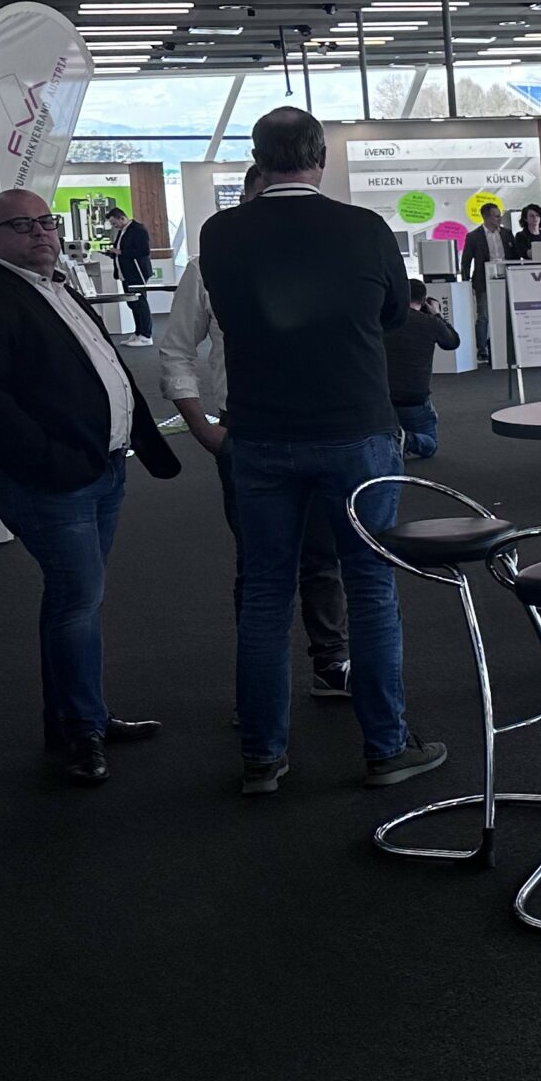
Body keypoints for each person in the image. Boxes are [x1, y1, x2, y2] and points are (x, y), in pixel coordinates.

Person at [199, 107, 445, 797]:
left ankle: (262, 757)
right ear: (321, 158)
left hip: (259, 432)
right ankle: (385, 748)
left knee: (265, 594)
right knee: (370, 588)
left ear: (258, 159)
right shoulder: (364, 229)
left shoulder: (221, 233)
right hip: (355, 430)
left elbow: (228, 313)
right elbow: (393, 314)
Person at [0, 188, 181, 782]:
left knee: (75, 599)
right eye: (21, 225)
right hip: (52, 483)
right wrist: (48, 458)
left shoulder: (60, 289)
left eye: (46, 222)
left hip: (104, 470)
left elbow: (104, 368)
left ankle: (76, 718)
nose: (40, 232)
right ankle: (82, 730)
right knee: (78, 599)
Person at [160, 161, 353, 703]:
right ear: (246, 200)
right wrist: (203, 429)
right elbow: (176, 351)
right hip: (245, 436)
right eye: (265, 196)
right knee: (260, 568)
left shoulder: (325, 258)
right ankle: (260, 694)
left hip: (324, 432)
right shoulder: (208, 266)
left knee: (323, 557)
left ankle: (330, 662)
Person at [386, 279, 461, 460]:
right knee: (430, 445)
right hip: (414, 397)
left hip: (383, 395)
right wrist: (437, 314)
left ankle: (389, 438)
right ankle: (405, 440)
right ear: (424, 300)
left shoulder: (384, 321)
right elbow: (452, 342)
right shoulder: (430, 322)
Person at [460, 201, 514, 365]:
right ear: (487, 217)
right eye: (496, 216)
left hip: (508, 278)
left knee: (509, 313)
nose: (499, 219)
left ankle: (509, 346)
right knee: (483, 316)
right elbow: (466, 261)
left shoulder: (507, 234)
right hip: (483, 281)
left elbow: (514, 255)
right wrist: (466, 282)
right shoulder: (473, 236)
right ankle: (482, 349)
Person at [109, 202, 155, 344]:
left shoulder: (138, 229)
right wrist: (112, 253)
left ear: (122, 217)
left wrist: (121, 252)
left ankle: (146, 335)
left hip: (137, 272)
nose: (114, 226)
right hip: (125, 273)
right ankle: (138, 332)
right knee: (133, 304)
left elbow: (144, 251)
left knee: (140, 303)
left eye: (114, 223)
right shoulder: (123, 231)